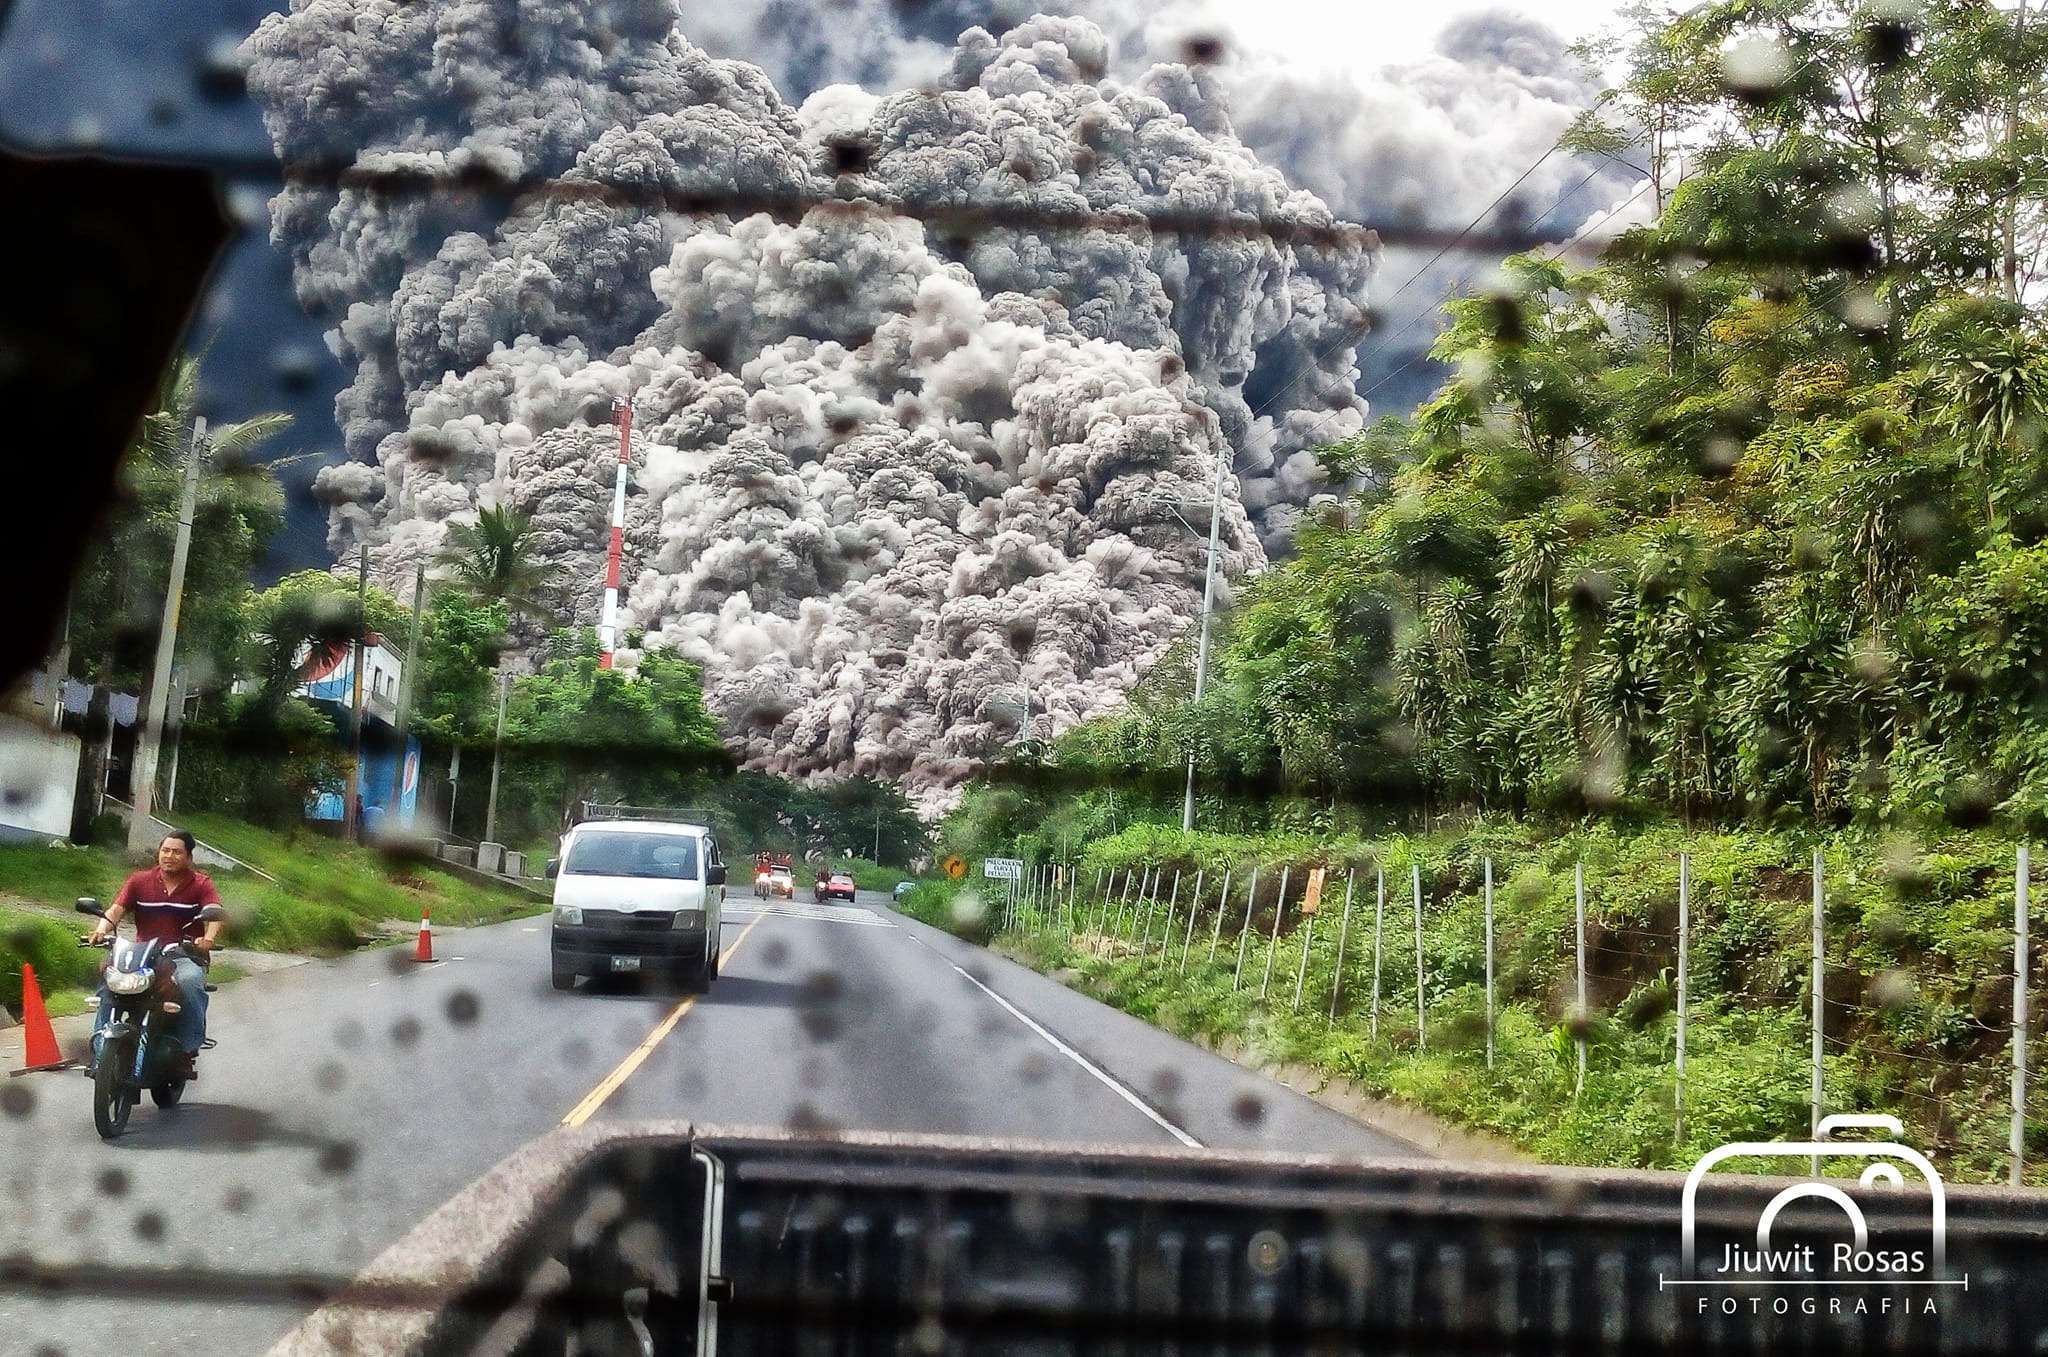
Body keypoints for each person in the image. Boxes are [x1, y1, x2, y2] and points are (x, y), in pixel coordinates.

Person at [87, 829, 225, 1077]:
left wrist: (207, 939)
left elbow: (215, 914)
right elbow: (116, 909)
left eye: (176, 852)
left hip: (183, 954)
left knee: (190, 982)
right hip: (144, 954)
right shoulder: (139, 880)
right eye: (165, 850)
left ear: (189, 857)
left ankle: (188, 1048)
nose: (169, 856)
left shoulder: (201, 884)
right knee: (108, 980)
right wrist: (101, 930)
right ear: (158, 853)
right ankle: (99, 1046)